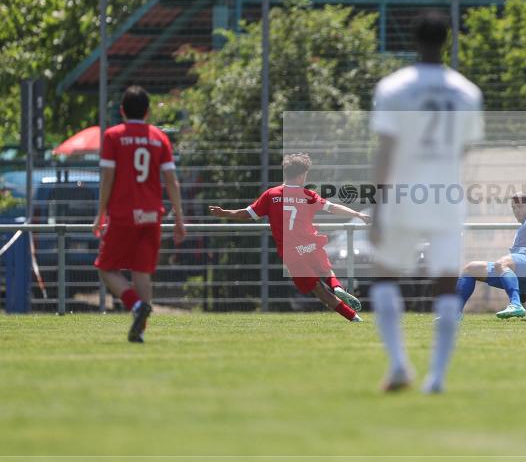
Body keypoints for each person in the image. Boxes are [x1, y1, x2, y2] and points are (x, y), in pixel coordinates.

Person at [370, 10, 483, 393]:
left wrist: (376, 205)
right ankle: (436, 377)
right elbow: (466, 149)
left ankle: (400, 364)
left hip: (402, 192)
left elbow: (385, 149)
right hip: (447, 194)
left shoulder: (393, 88)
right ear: (448, 39)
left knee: (385, 276)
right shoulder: (467, 91)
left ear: (413, 40)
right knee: (446, 285)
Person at [209, 153, 367, 322]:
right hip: (310, 245)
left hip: (292, 253)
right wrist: (357, 213)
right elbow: (332, 208)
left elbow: (246, 214)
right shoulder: (308, 195)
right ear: (301, 175)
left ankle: (353, 317)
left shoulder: (271, 195)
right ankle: (336, 286)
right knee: (326, 269)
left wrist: (224, 213)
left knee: (319, 291)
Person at [93, 85, 186, 343]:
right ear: (147, 112)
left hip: (123, 213)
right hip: (151, 215)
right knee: (141, 272)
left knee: (106, 268)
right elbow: (171, 180)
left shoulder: (113, 136)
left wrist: (101, 213)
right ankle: (141, 331)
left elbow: (108, 177)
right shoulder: (159, 137)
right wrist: (179, 218)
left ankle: (135, 306)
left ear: (122, 111)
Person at [456, 193, 526, 319]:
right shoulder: (523, 227)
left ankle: (516, 304)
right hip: (523, 274)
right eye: (513, 208)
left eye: (519, 206)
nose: (516, 211)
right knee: (471, 269)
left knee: (502, 263)